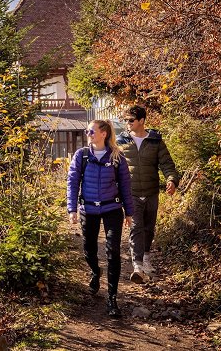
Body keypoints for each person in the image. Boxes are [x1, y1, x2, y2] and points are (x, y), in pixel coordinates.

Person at [68, 119, 134, 318]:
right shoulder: (82, 155)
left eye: (91, 131)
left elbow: (125, 186)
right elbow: (72, 182)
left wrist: (129, 213)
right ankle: (96, 272)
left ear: (104, 133)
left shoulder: (116, 157)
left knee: (113, 250)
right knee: (89, 248)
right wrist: (72, 208)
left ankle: (112, 298)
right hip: (88, 209)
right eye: (87, 131)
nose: (88, 134)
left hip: (112, 208)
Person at [117, 105, 179, 283]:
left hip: (152, 192)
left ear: (141, 121)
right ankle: (137, 266)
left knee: (149, 228)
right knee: (136, 227)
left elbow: (167, 164)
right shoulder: (121, 141)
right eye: (126, 120)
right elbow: (113, 166)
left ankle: (145, 258)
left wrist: (172, 181)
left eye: (131, 120)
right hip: (131, 193)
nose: (127, 123)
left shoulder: (155, 141)